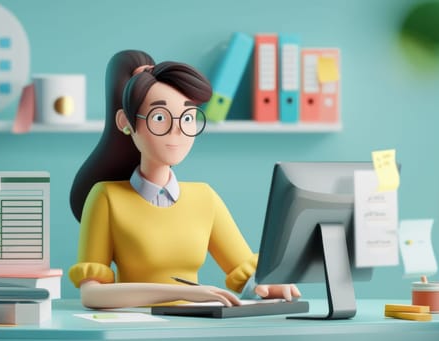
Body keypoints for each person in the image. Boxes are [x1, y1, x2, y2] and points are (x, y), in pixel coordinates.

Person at [68, 50, 300, 309]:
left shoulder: (204, 198)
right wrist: (187, 293)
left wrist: (268, 287)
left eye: (188, 118)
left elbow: (244, 273)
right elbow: (92, 295)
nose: (177, 130)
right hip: (135, 329)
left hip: (194, 327)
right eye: (159, 118)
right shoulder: (105, 197)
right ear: (126, 122)